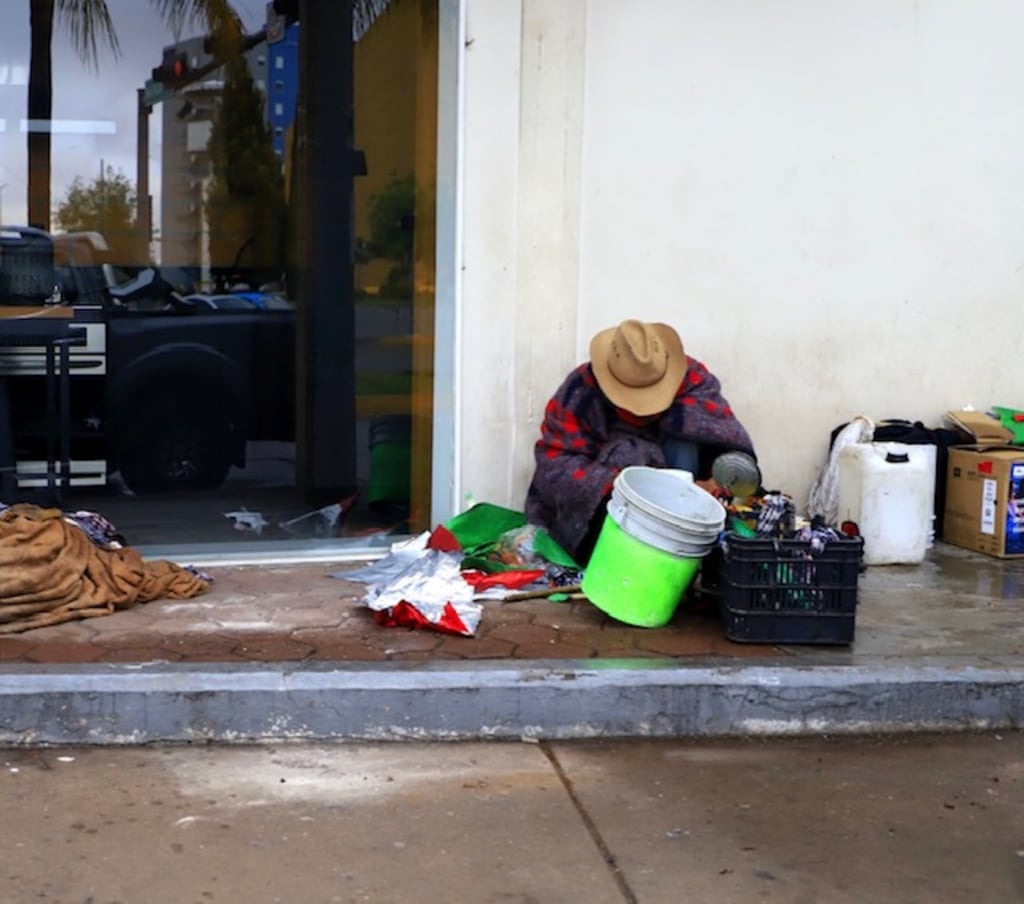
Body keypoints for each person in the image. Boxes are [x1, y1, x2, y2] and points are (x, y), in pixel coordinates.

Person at [524, 319, 756, 564]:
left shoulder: (694, 381)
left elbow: (727, 446)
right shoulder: (580, 390)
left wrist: (712, 484)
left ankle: (682, 544)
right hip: (611, 507)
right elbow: (556, 465)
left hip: (683, 499)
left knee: (685, 443)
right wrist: (628, 487)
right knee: (626, 452)